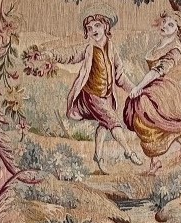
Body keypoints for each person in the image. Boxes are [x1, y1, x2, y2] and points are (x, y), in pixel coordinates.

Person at [50, 6, 144, 173]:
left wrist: (133, 89)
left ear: (106, 26)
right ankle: (129, 152)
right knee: (113, 122)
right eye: (89, 27)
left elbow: (119, 76)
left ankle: (98, 157)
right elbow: (70, 55)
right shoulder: (88, 49)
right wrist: (52, 56)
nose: (93, 30)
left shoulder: (111, 48)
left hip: (107, 95)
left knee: (104, 125)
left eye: (97, 25)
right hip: (92, 95)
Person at [123, 10, 181, 174]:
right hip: (153, 86)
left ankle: (158, 159)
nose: (165, 26)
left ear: (177, 29)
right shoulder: (160, 43)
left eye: (170, 25)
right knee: (150, 120)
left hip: (164, 90)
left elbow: (158, 70)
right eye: (164, 22)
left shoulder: (175, 49)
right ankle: (161, 157)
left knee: (149, 118)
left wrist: (139, 87)